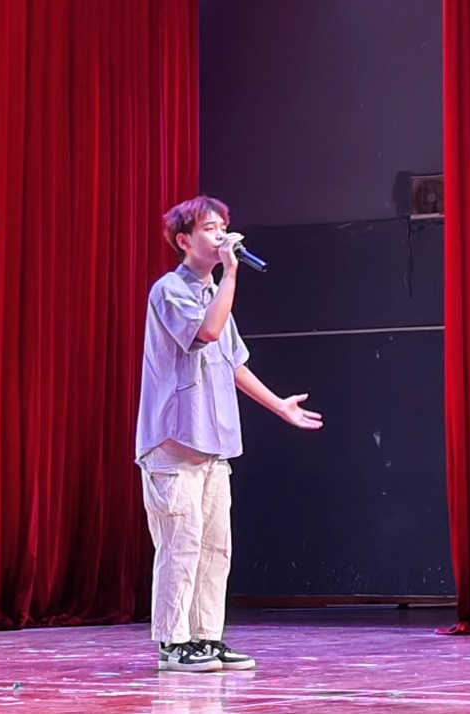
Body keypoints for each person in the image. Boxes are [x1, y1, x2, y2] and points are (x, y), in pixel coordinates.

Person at [136, 196, 323, 672]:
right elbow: (206, 334)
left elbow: (234, 363)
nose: (221, 235)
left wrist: (280, 406)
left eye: (223, 227)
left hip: (213, 445)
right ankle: (174, 643)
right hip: (174, 444)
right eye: (210, 228)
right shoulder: (169, 291)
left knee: (216, 547)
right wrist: (232, 275)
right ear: (184, 240)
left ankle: (205, 636)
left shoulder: (216, 296)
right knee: (181, 544)